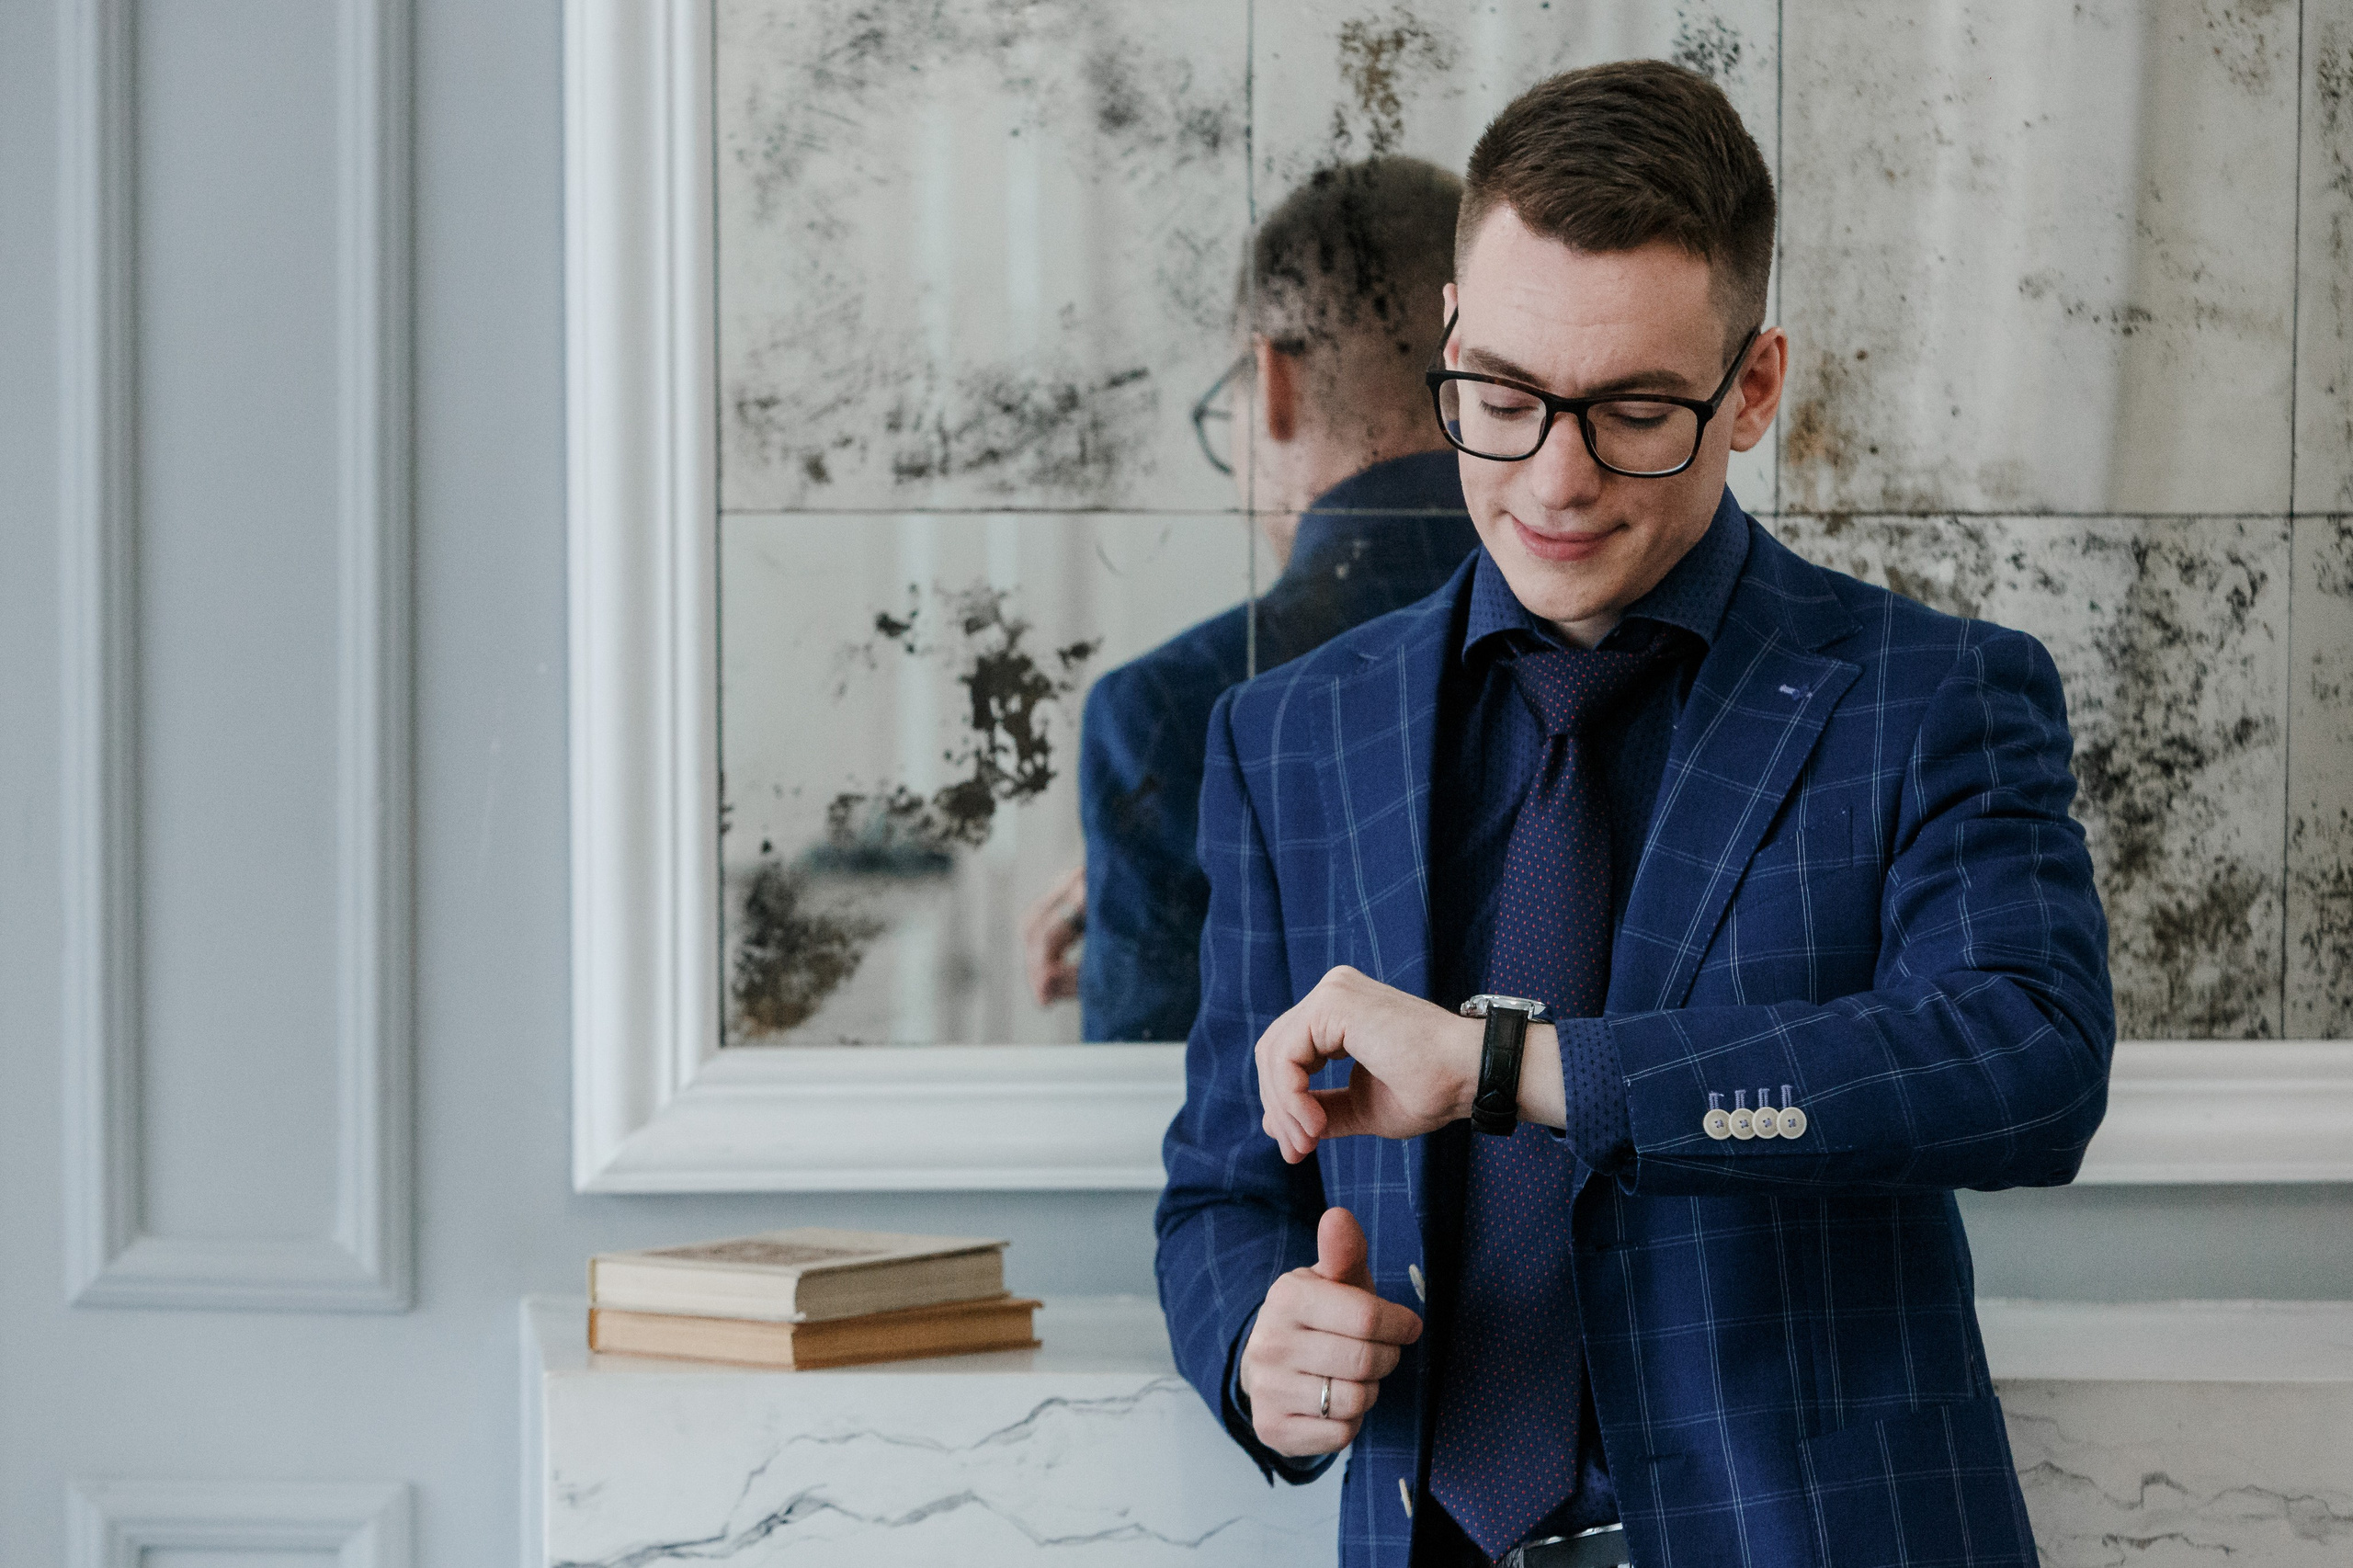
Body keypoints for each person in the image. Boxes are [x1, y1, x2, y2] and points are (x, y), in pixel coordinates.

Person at [1154, 62, 2114, 1568]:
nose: (1557, 477)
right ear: (1452, 346)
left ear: (1754, 386)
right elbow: (1223, 1185)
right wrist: (1255, 1349)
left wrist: (1511, 1067)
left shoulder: (1934, 696)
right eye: (1506, 398)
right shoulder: (1287, 737)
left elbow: (2024, 1064)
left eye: (1636, 412)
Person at [1022, 156, 1483, 1041]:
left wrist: (1150, 933)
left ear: (1273, 382)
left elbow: (1164, 1127)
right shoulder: (1618, 638)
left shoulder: (1165, 717)